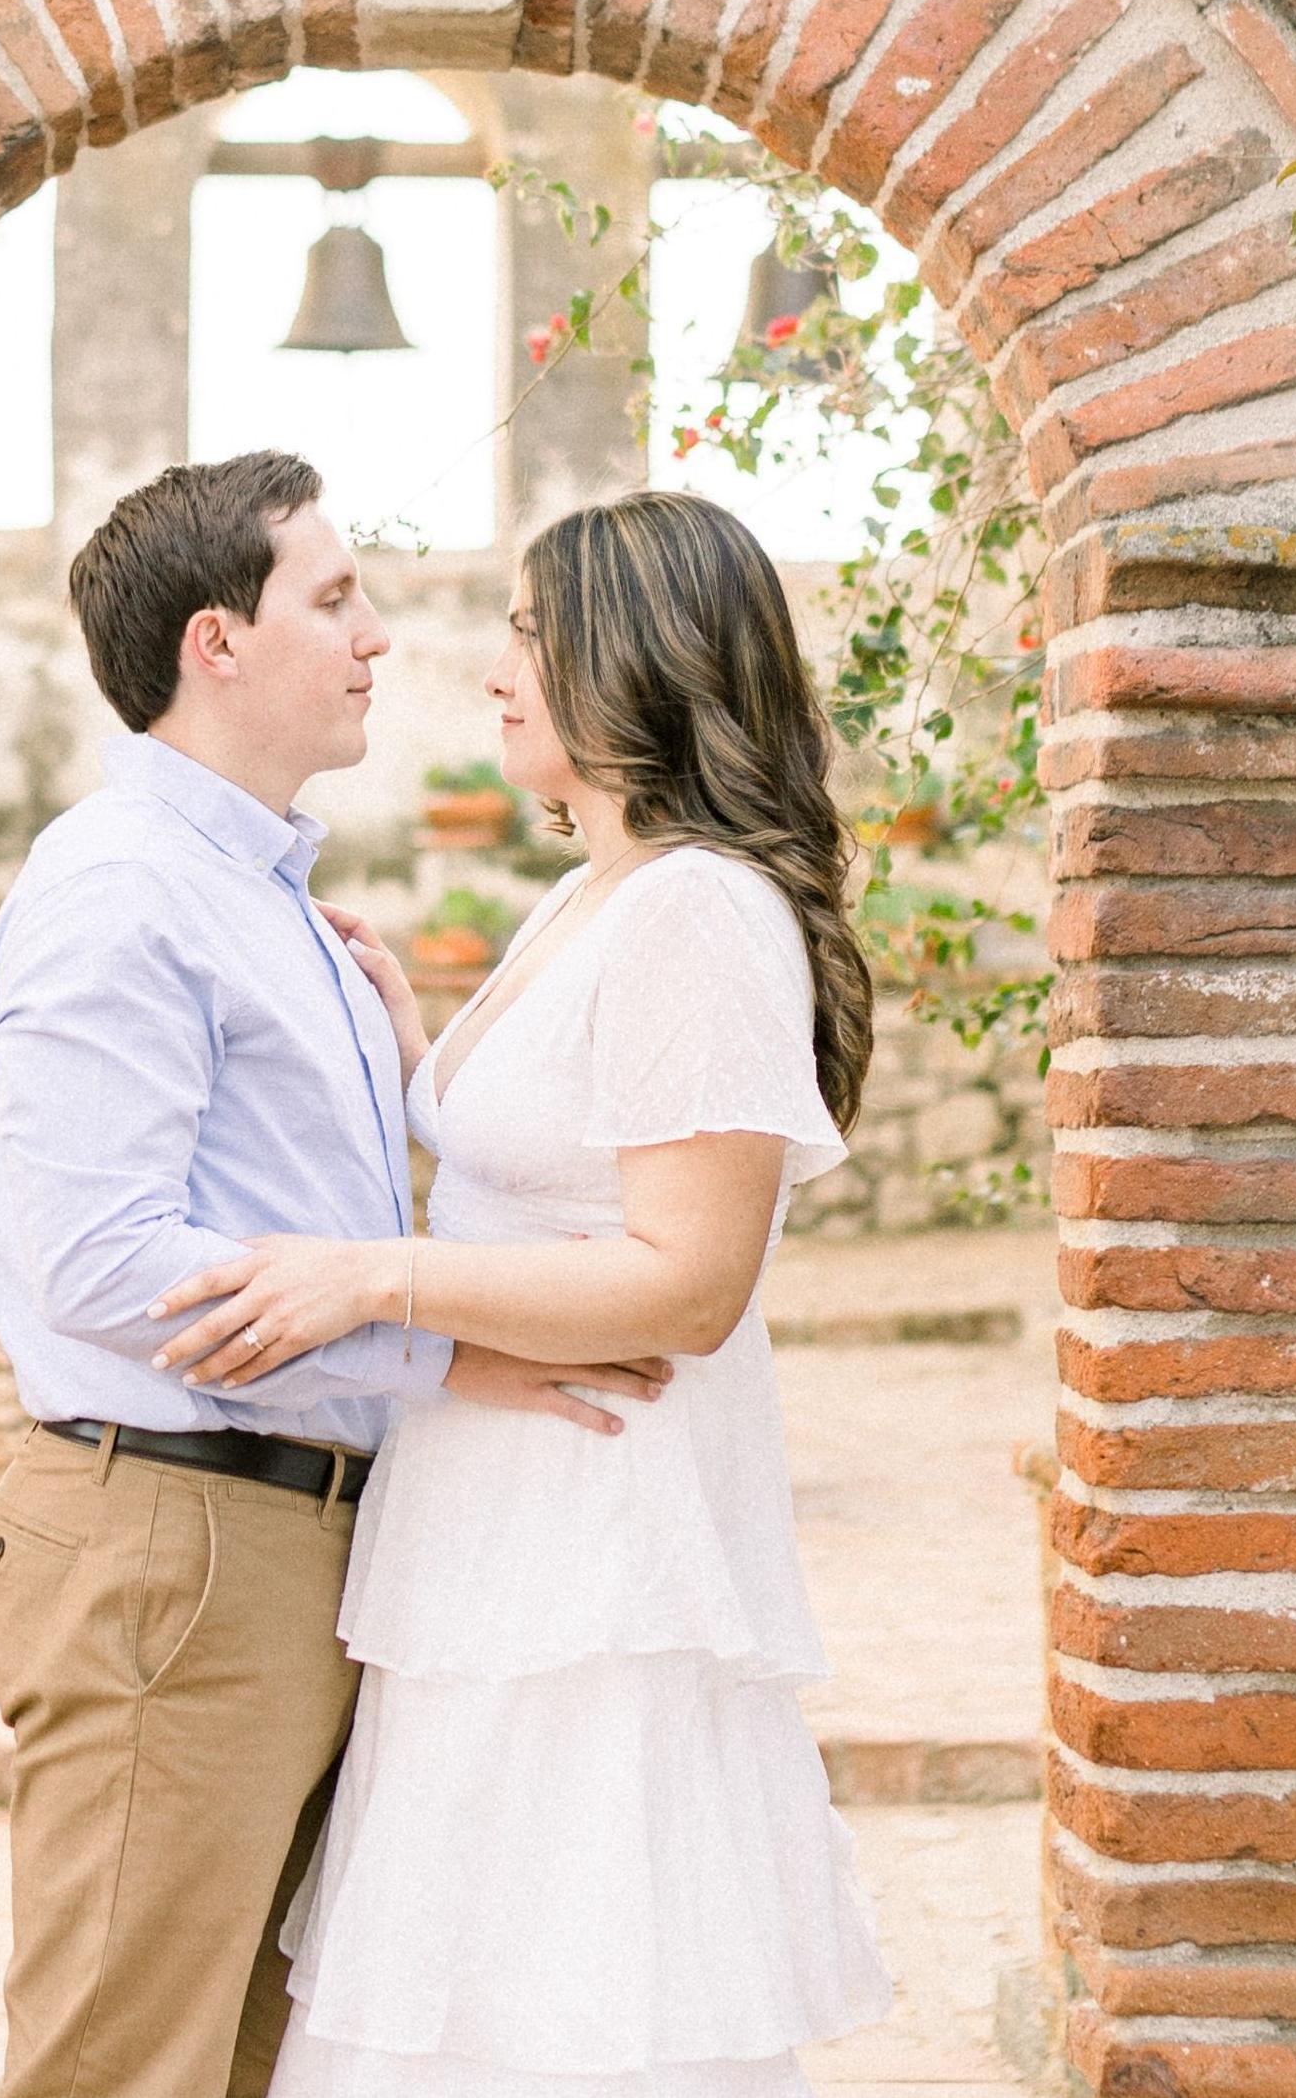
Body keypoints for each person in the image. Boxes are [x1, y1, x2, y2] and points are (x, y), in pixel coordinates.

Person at [150, 485, 896, 2098]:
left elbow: (689, 1281)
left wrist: (376, 1279)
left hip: (594, 1538)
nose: (494, 672)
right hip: (493, 1517)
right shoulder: (598, 892)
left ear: (640, 658)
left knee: (567, 1989)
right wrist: (420, 1050)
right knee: (469, 1983)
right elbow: (563, 1163)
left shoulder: (700, 909)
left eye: (532, 637)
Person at [0, 450, 676, 2098]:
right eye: (335, 597)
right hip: (176, 1541)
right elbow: (100, 1257)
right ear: (218, 643)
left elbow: (306, 1206)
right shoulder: (123, 888)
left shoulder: (269, 901)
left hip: (287, 1543)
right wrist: (440, 1356)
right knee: (120, 2069)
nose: (379, 635)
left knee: (252, 2067)